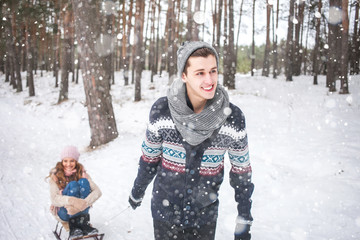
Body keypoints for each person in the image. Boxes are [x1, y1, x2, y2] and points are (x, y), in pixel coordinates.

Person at [128, 41, 254, 240]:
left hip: (204, 217)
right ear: (184, 76)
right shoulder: (162, 111)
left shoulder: (232, 118)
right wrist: (138, 190)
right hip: (165, 213)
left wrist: (245, 217)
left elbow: (242, 172)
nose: (209, 80)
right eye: (200, 73)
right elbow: (149, 158)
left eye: (213, 71)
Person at [47, 145, 102, 239]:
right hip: (64, 212)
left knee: (84, 182)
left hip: (82, 210)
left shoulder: (83, 174)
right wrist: (73, 201)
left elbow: (97, 192)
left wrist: (83, 204)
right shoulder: (56, 176)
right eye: (65, 161)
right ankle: (74, 227)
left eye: (72, 160)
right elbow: (54, 199)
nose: (68, 164)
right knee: (73, 185)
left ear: (76, 161)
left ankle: (84, 224)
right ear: (62, 161)